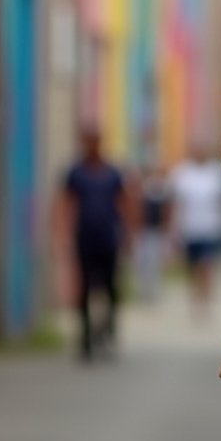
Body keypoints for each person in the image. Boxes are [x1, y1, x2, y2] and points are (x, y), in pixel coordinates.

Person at [64, 128, 126, 360]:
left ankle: (108, 331)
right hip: (85, 239)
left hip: (108, 239)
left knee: (110, 289)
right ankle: (86, 338)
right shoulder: (75, 173)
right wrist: (63, 233)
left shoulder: (112, 173)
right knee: (85, 290)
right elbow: (66, 203)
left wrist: (128, 234)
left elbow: (123, 203)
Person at [168, 147, 221, 309]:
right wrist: (173, 229)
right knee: (193, 266)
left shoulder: (216, 173)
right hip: (189, 228)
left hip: (211, 228)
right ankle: (195, 294)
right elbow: (175, 204)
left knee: (206, 264)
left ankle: (206, 296)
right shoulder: (182, 173)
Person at [134, 164, 171, 303]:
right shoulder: (140, 191)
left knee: (153, 262)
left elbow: (164, 211)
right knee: (142, 263)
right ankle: (143, 291)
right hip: (142, 231)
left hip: (154, 230)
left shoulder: (159, 190)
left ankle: (153, 291)